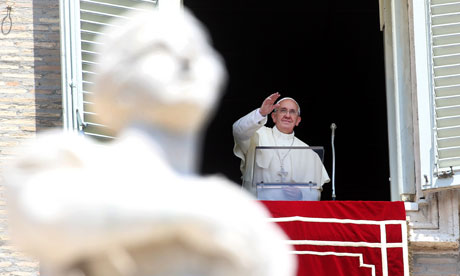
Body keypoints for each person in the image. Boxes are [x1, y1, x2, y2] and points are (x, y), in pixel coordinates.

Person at [4, 7, 296, 276]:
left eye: (198, 51)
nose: (186, 60)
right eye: (161, 49)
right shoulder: (63, 162)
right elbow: (43, 217)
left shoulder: (244, 218)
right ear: (116, 82)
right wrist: (195, 211)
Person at [233, 92, 330, 200]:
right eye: (283, 110)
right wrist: (261, 113)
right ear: (274, 116)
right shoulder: (256, 134)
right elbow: (238, 131)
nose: (287, 115)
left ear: (298, 121)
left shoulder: (309, 153)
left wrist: (301, 194)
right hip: (256, 211)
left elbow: (316, 194)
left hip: (288, 214)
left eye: (292, 112)